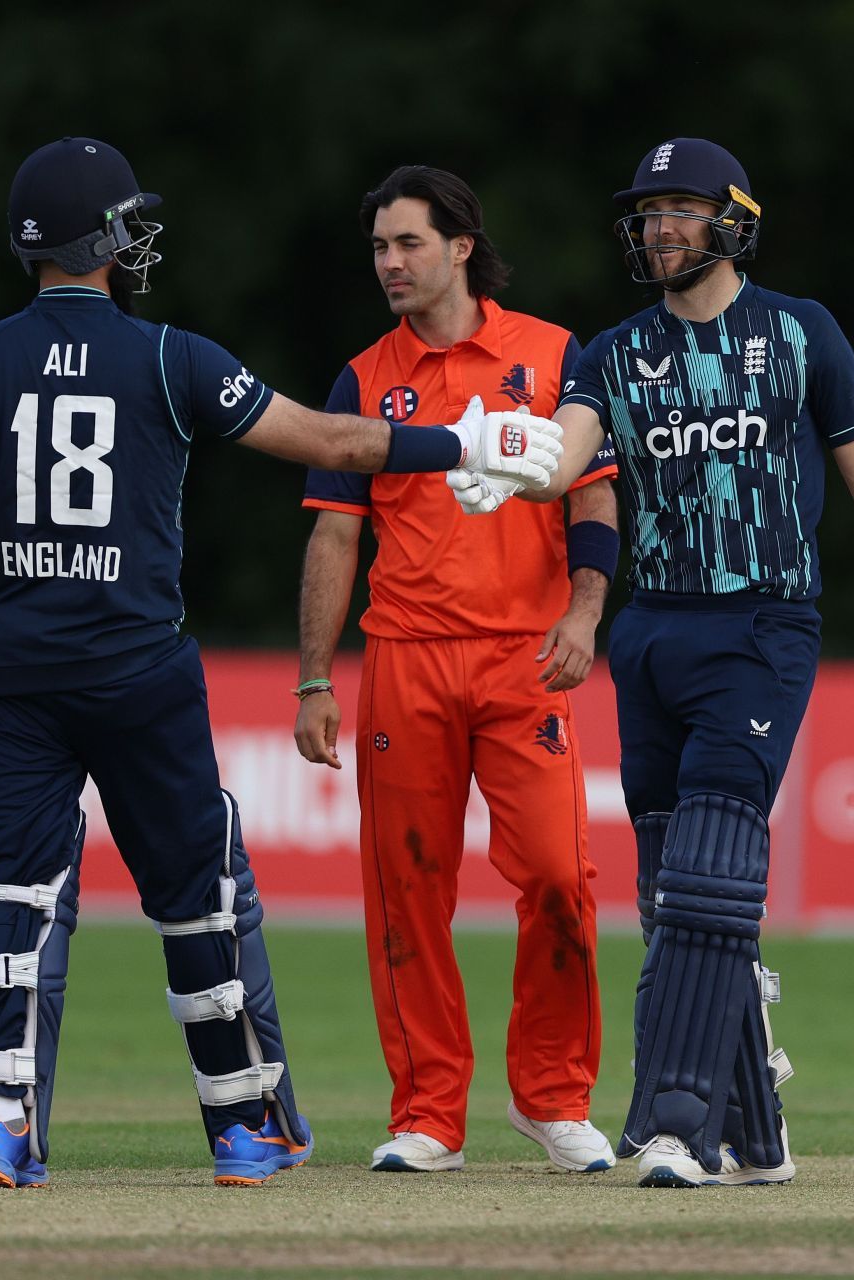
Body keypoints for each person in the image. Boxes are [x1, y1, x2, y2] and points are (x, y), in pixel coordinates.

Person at [0, 137, 561, 1189]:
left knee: (16, 885)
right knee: (196, 885)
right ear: (106, 240)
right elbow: (334, 443)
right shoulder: (172, 356)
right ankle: (244, 1126)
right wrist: (466, 446)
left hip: (15, 668)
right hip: (138, 668)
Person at [449, 138, 854, 1187]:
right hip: (652, 633)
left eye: (680, 209)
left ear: (733, 221)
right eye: (647, 213)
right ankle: (758, 1134)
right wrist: (505, 457)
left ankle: (678, 1121)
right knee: (675, 895)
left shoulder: (800, 331)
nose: (658, 228)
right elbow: (568, 451)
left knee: (708, 871)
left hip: (762, 624)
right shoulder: (610, 351)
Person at [294, 166, 622, 1175]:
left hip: (528, 659)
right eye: (381, 248)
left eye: (409, 244)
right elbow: (334, 538)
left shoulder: (552, 354)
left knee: (563, 878)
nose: (391, 263)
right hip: (406, 659)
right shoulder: (360, 375)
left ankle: (552, 1095)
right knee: (407, 892)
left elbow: (595, 499)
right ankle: (430, 1111)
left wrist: (584, 609)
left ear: (461, 245)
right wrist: (316, 675)